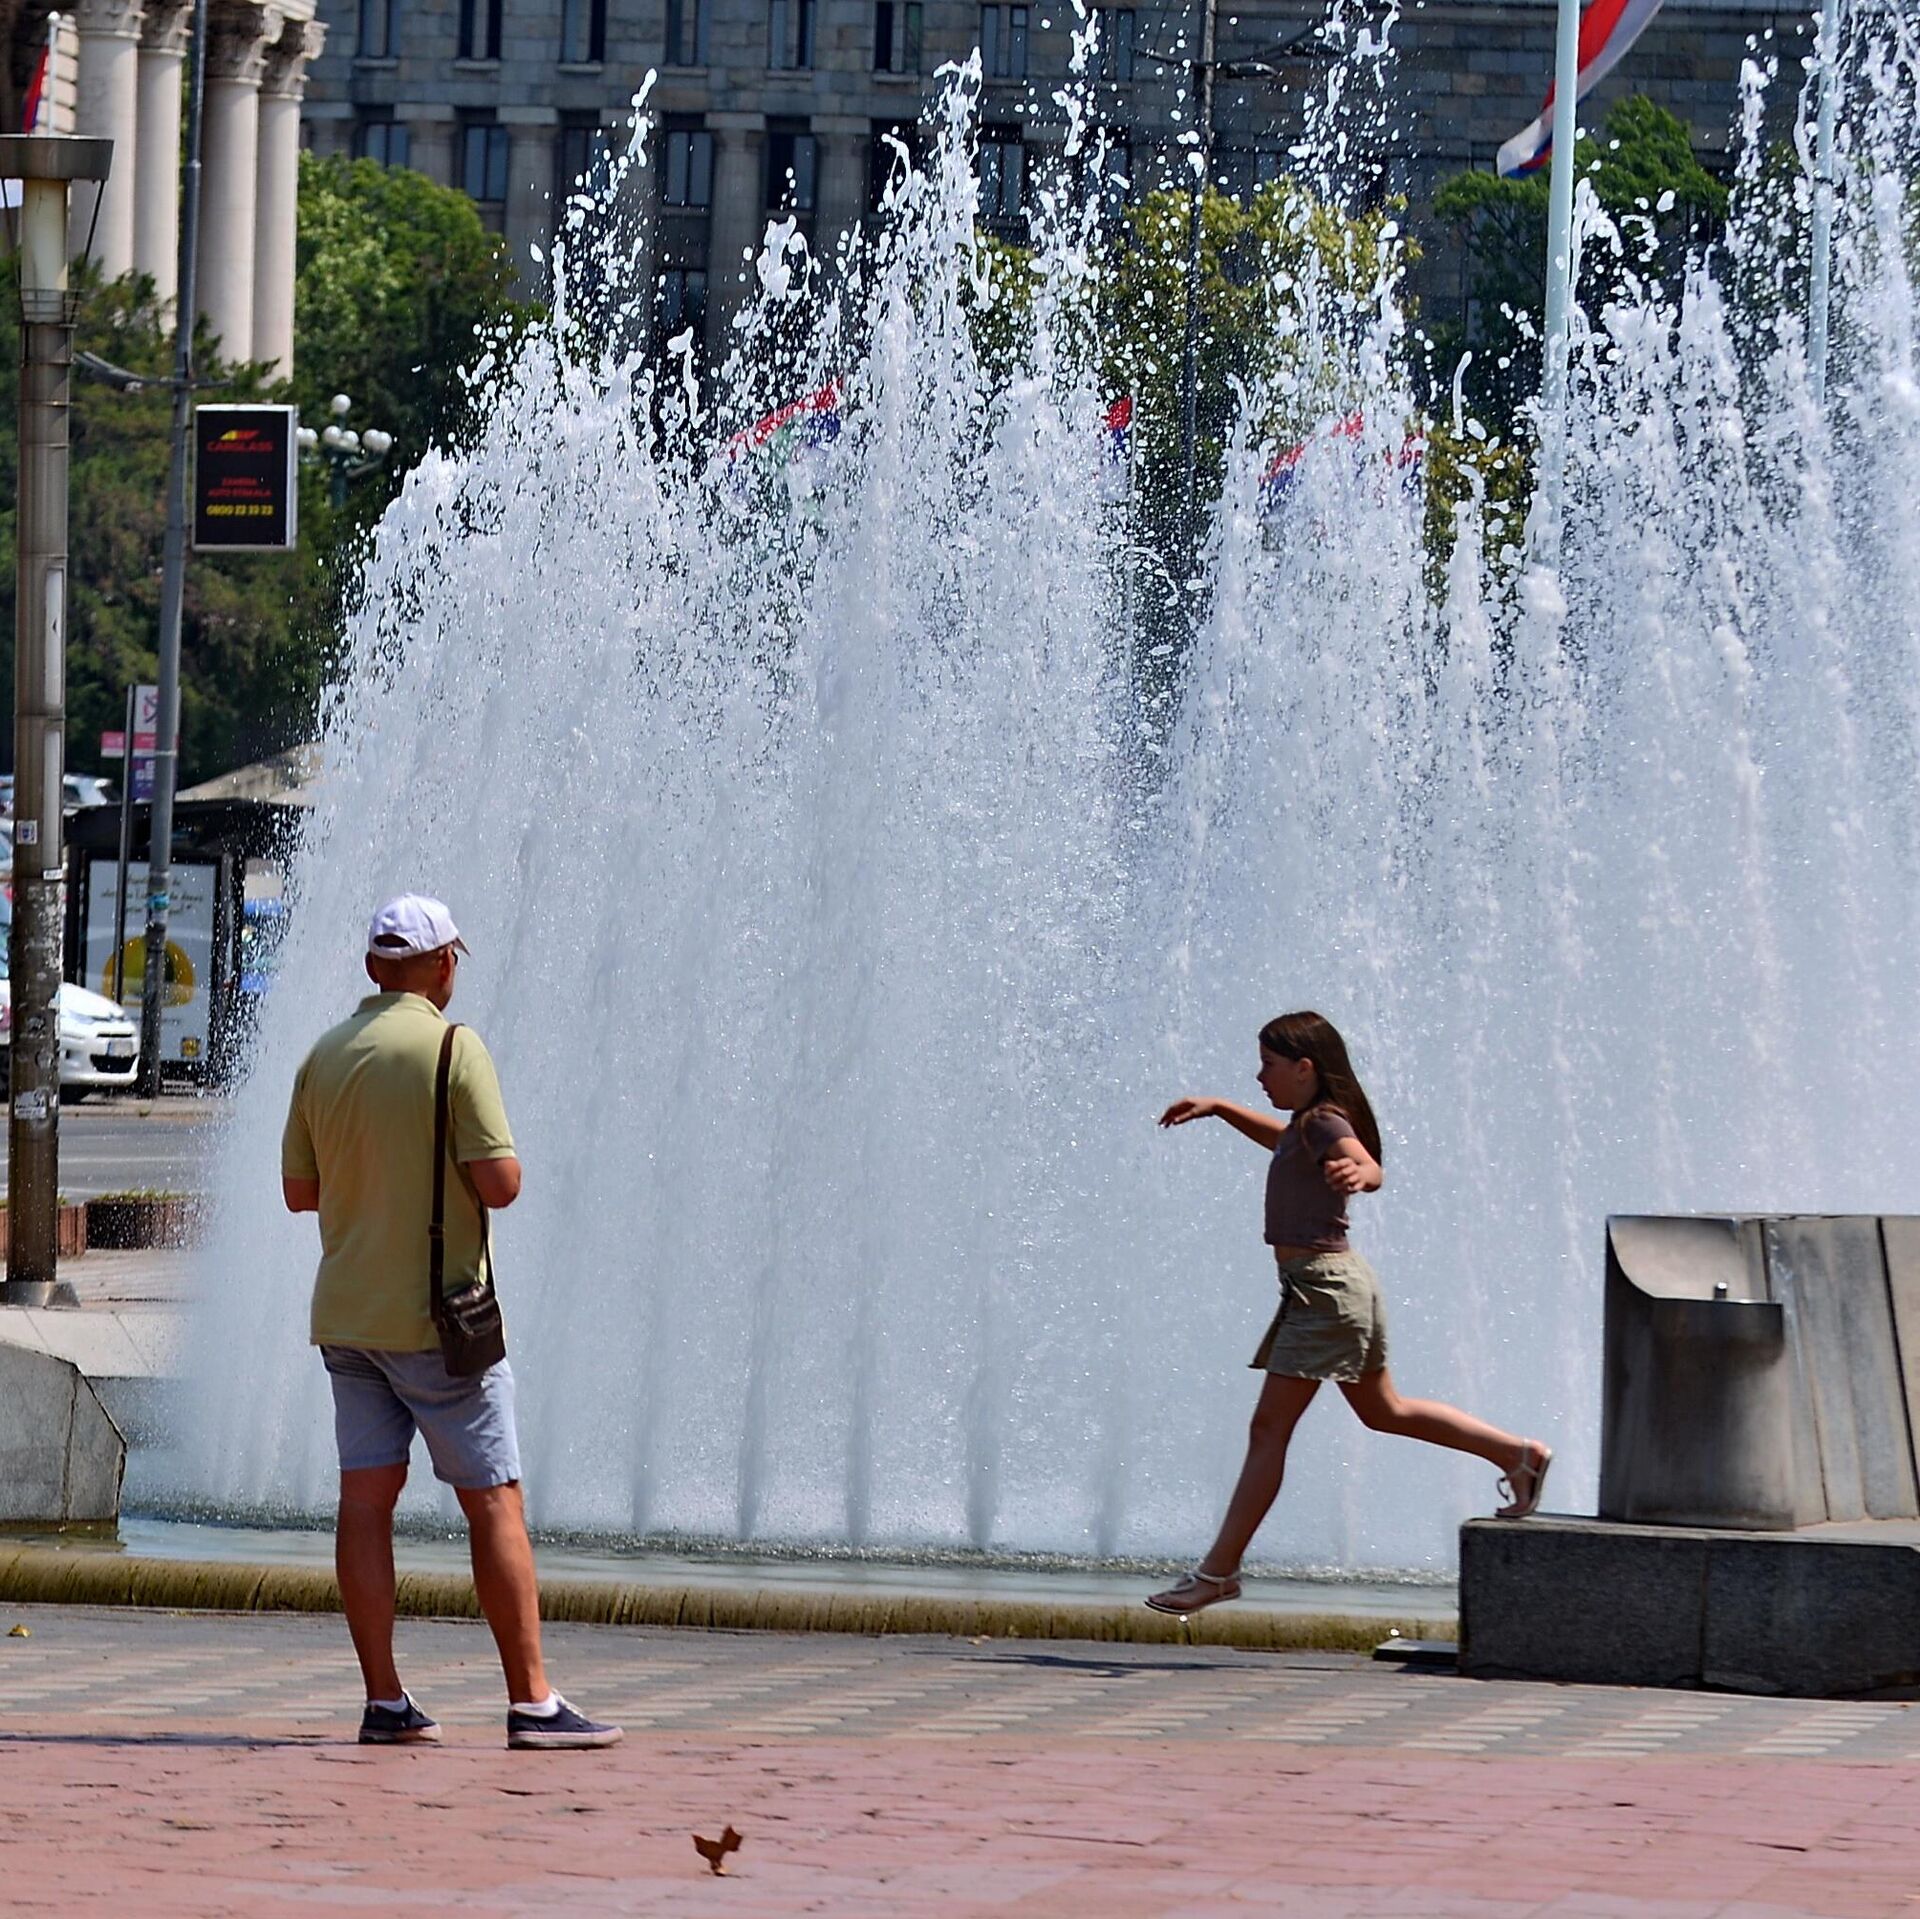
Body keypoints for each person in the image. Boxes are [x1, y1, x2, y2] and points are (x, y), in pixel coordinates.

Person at [281, 893, 622, 1749]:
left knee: (365, 1501)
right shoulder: (453, 1049)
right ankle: (532, 1701)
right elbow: (501, 1182)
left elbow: (299, 1192)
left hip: (348, 1318)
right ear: (440, 966)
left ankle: (385, 1700)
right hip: (440, 1320)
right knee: (494, 1498)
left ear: (373, 968)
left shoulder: (323, 1055)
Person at [1145, 1009, 1552, 1616]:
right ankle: (1517, 1455)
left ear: (1305, 1068)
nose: (1260, 1077)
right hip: (1331, 1287)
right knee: (1385, 1410)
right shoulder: (1304, 1125)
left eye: (1269, 1065)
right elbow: (1279, 1139)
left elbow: (1368, 1164)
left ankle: (1218, 1573)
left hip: (1325, 1292)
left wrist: (1362, 1171)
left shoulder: (1325, 1121)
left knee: (1269, 1430)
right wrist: (1222, 1109)